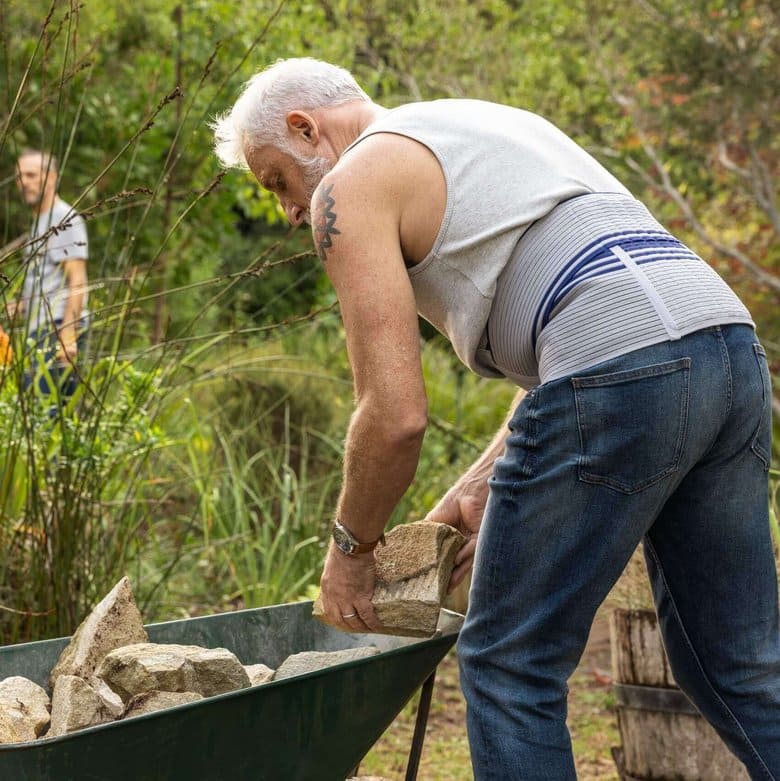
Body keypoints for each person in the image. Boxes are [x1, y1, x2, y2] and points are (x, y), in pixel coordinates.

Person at [213, 58, 779, 779]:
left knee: (509, 664)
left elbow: (392, 416)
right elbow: (587, 301)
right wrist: (484, 479)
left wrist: (349, 556)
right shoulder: (478, 120)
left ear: (304, 128)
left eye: (278, 184)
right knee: (738, 663)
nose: (293, 211)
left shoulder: (350, 185)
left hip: (619, 365)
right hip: (727, 350)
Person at [12, 149, 89, 401]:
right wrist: (20, 307)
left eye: (32, 175)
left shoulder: (63, 218)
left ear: (52, 177)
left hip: (56, 328)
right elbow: (48, 279)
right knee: (35, 410)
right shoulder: (40, 221)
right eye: (20, 177)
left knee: (47, 413)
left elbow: (77, 280)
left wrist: (67, 336)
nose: (24, 182)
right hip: (39, 327)